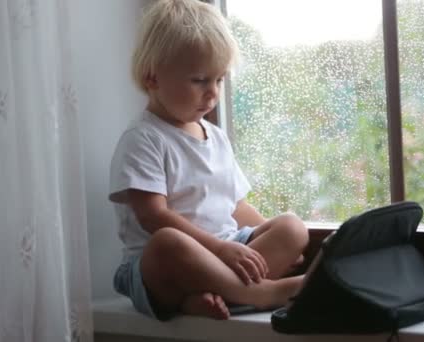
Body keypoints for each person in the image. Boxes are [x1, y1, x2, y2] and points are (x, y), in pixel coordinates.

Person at [108, 0, 308, 321]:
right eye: (200, 80)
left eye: (219, 80)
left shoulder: (215, 137)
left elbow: (235, 206)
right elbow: (153, 217)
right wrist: (218, 250)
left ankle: (213, 294)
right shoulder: (144, 138)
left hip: (224, 251)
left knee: (292, 228)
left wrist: (272, 243)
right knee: (167, 243)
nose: (213, 93)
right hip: (161, 266)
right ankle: (259, 293)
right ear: (152, 78)